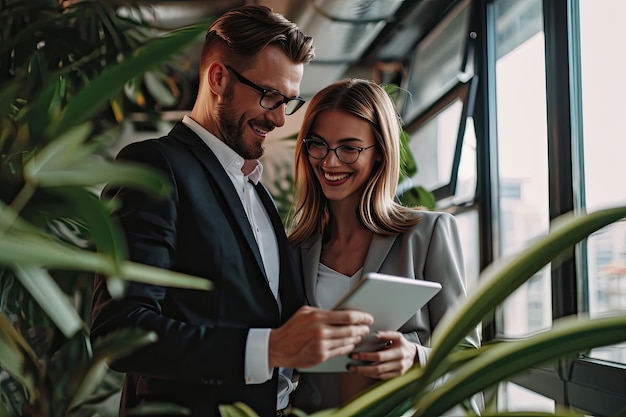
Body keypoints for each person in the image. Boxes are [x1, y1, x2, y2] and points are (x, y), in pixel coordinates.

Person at [89, 6, 374, 417]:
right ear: (218, 78)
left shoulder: (255, 192)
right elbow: (119, 333)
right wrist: (270, 347)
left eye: (288, 102)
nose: (278, 119)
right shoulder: (153, 167)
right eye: (269, 96)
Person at [286, 78, 481, 412]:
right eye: (318, 145)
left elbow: (467, 356)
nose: (330, 162)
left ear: (379, 153)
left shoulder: (428, 234)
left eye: (349, 148)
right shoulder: (292, 250)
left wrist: (415, 357)